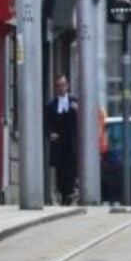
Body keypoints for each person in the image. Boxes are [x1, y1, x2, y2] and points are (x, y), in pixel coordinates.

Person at [45, 75, 78, 205]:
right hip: (59, 143)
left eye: (63, 85)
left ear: (67, 86)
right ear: (55, 87)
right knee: (60, 170)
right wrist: (51, 134)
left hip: (72, 142)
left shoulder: (75, 102)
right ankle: (63, 194)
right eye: (58, 85)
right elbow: (46, 123)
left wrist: (77, 110)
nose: (61, 88)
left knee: (71, 168)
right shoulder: (51, 105)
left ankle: (70, 192)